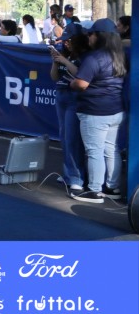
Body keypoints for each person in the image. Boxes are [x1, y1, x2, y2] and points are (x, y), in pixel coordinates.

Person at [70, 18, 126, 203]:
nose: (89, 37)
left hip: (94, 111)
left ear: (99, 36)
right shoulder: (120, 55)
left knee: (95, 151)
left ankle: (95, 191)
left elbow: (81, 84)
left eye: (91, 34)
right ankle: (112, 187)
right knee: (111, 150)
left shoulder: (93, 58)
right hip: (115, 110)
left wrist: (72, 83)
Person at [49, 23, 90, 198]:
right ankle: (69, 174)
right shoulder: (64, 53)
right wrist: (55, 61)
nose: (65, 43)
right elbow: (54, 76)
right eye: (64, 40)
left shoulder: (85, 56)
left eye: (69, 40)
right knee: (64, 136)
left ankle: (77, 178)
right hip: (61, 94)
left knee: (73, 138)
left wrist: (64, 61)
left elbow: (81, 74)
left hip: (75, 97)